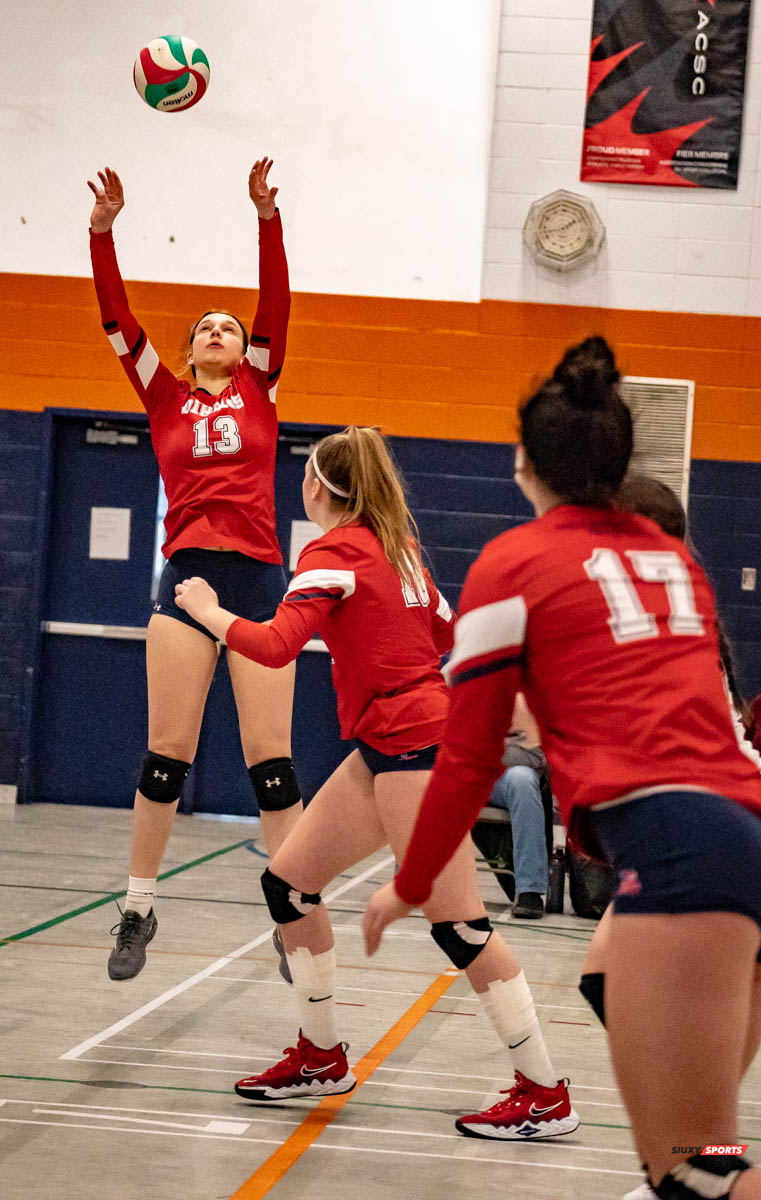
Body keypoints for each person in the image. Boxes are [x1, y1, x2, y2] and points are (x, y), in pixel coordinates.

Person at [363, 339, 761, 1199]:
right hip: (756, 835)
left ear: (522, 461)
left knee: (695, 1175)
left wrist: (408, 881)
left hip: (682, 848)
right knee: (713, 1154)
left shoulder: (511, 565)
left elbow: (469, 755)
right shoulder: (676, 561)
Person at [175, 425, 579, 1140]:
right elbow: (451, 636)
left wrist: (207, 610)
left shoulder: (331, 554)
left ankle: (545, 1093)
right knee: (287, 886)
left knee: (459, 926)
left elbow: (274, 646)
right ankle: (322, 1055)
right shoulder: (400, 554)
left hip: (415, 747)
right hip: (389, 744)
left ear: (314, 488)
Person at [88, 161, 303, 981]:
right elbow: (116, 317)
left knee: (270, 759)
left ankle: (289, 916)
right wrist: (103, 233)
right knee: (165, 753)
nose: (219, 330)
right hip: (186, 581)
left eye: (228, 325)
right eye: (204, 327)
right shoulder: (164, 397)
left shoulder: (262, 384)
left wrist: (266, 220)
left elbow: (275, 301)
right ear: (185, 351)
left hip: (254, 581)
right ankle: (138, 906)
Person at [577, 472, 761, 1200]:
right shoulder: (680, 609)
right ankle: (693, 1147)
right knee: (701, 1131)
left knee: (694, 1168)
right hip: (744, 826)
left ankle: (688, 1156)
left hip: (719, 840)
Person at [487, 693, 549, 918]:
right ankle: (409, 880)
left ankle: (529, 891)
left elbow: (534, 757)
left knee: (523, 780)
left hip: (505, 777)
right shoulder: (458, 674)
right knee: (419, 776)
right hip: (463, 771)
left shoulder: (533, 687)